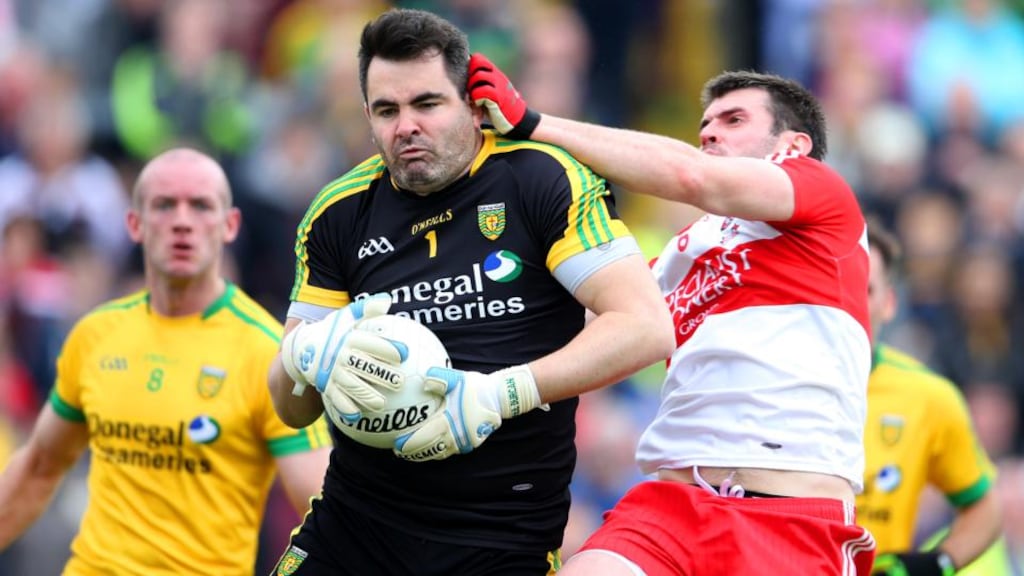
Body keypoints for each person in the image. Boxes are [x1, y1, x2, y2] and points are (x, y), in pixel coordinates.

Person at [266, 8, 674, 576]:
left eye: (427, 104)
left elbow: (646, 327)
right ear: (367, 116)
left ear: (474, 104)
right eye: (387, 110)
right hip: (357, 525)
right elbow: (290, 407)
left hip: (500, 532)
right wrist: (301, 358)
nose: (405, 125)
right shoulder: (338, 211)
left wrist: (503, 393)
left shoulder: (541, 179)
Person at [467, 56, 877, 574]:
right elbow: (586, 335)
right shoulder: (686, 247)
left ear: (791, 146)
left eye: (733, 120)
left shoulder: (822, 192)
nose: (708, 133)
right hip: (671, 508)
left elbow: (689, 174)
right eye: (704, 123)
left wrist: (532, 124)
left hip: (787, 513)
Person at [0, 148, 332, 574]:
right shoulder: (96, 335)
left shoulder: (265, 352)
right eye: (163, 205)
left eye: (200, 206)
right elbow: (38, 468)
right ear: (133, 225)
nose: (182, 221)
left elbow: (319, 507)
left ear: (229, 226)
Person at [862, 218, 1005, 576]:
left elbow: (985, 508)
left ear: (889, 303)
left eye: (864, 290)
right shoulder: (772, 384)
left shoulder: (927, 396)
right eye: (836, 285)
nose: (848, 302)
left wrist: (935, 564)